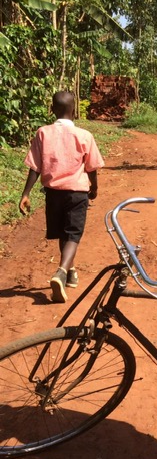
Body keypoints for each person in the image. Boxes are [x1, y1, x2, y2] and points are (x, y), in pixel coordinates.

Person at [20, 90, 104, 303]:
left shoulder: (43, 133)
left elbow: (35, 167)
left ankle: (70, 272)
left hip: (53, 194)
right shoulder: (84, 135)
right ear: (74, 111)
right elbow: (92, 167)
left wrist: (26, 194)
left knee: (62, 233)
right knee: (73, 234)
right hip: (77, 193)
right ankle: (61, 272)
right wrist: (94, 188)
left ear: (52, 110)